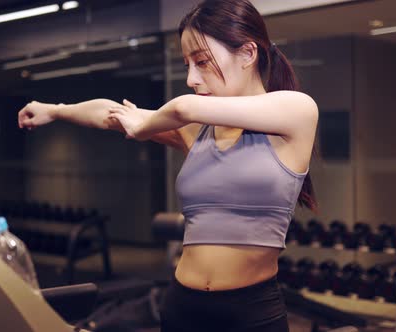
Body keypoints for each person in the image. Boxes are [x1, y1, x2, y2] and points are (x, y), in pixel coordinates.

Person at [18, 0, 318, 330]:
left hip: (251, 313)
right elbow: (110, 114)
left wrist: (145, 126)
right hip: (182, 307)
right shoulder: (198, 131)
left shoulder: (298, 112)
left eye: (202, 62)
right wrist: (56, 110)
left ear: (248, 54)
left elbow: (183, 107)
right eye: (187, 64)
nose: (191, 77)